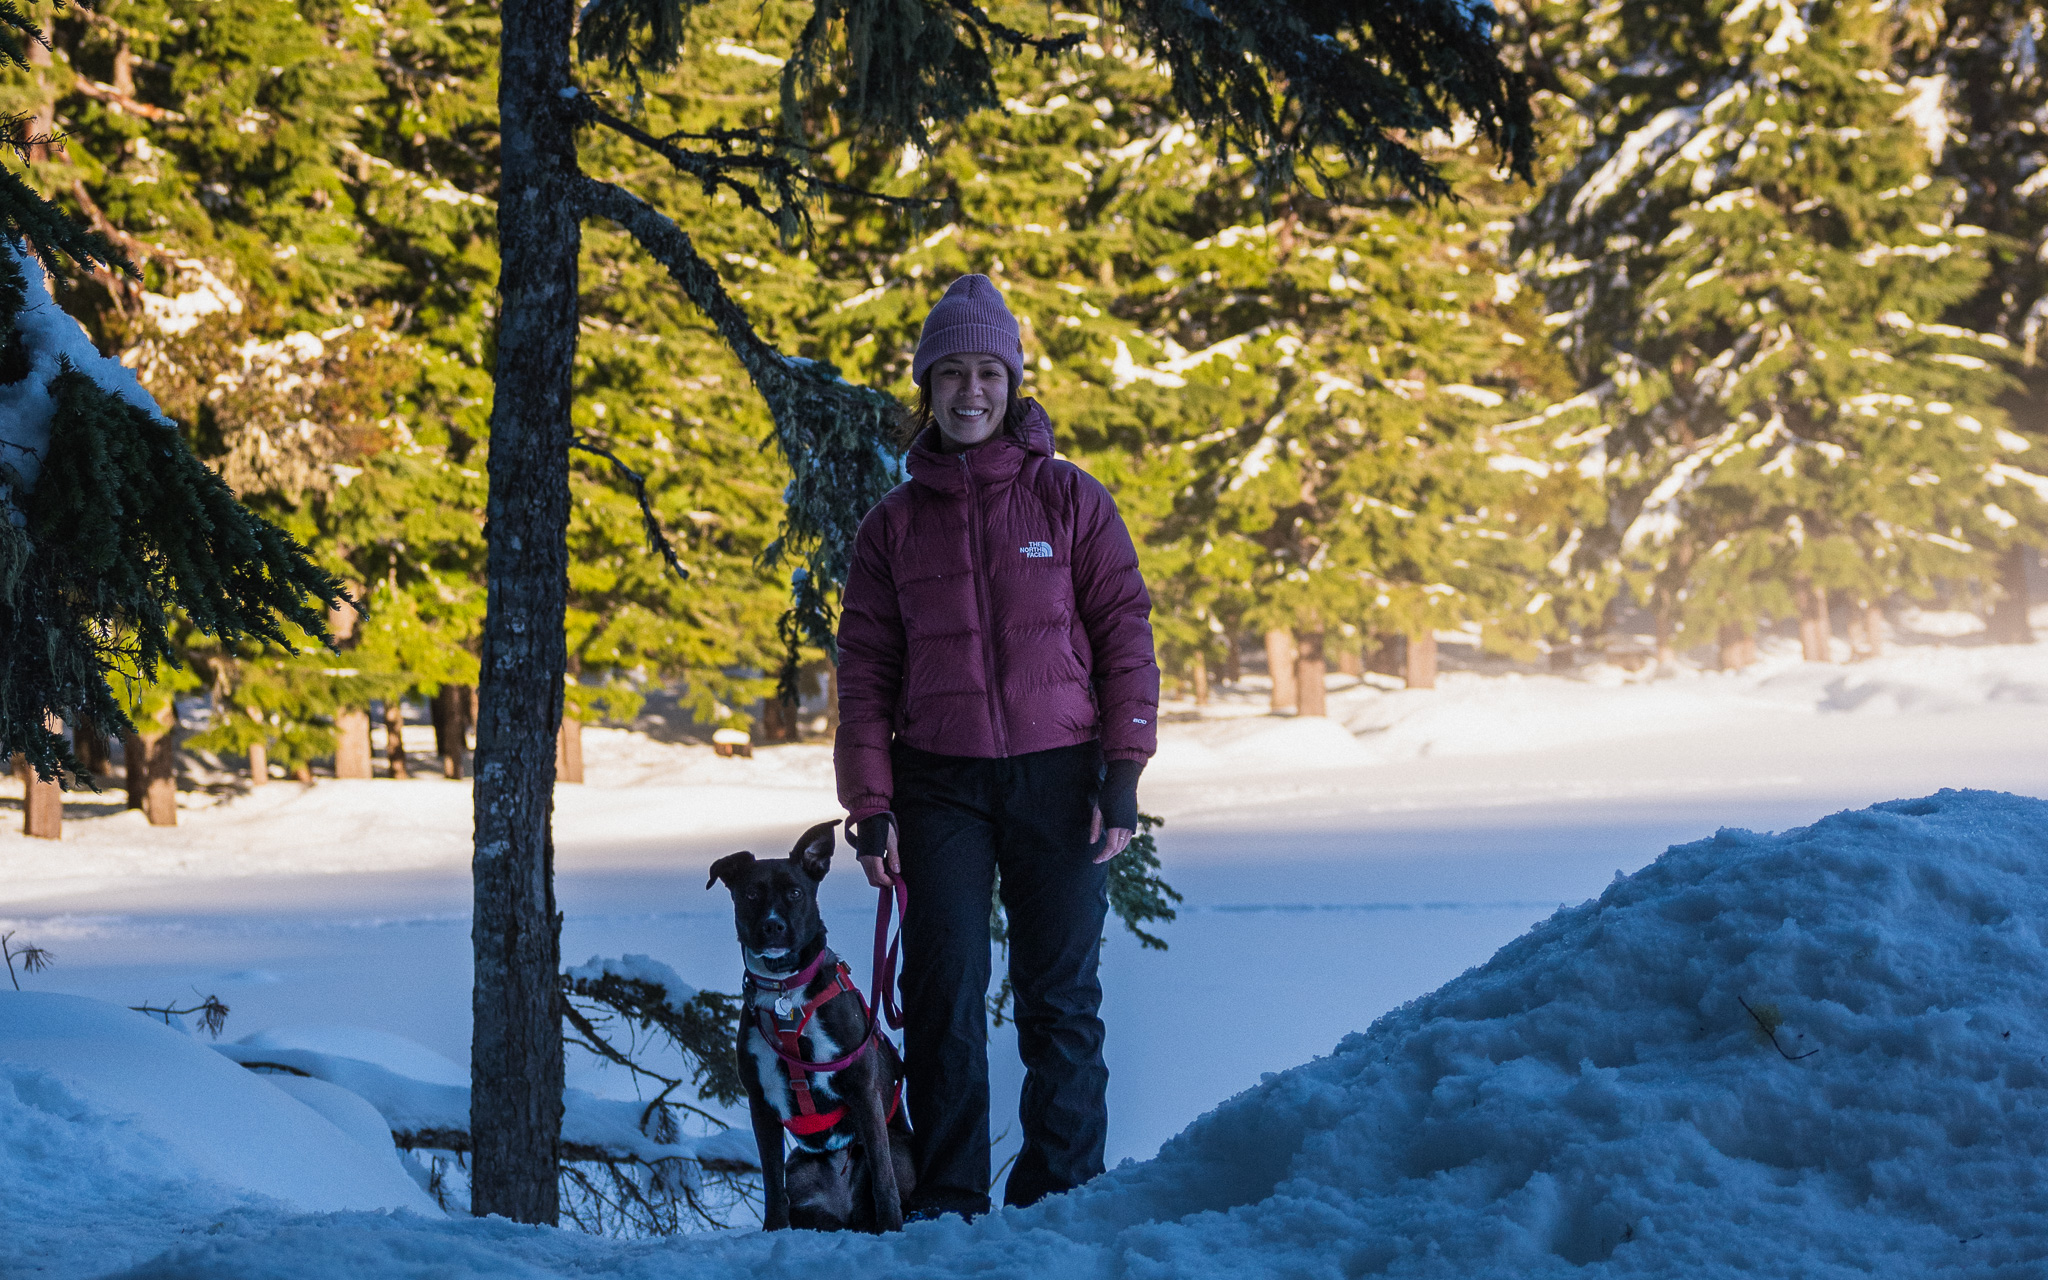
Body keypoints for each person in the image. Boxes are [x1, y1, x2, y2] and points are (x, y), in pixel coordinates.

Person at [834, 273, 1159, 1218]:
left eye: (988, 372)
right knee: (944, 998)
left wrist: (1124, 773)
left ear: (1012, 384)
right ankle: (948, 1196)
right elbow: (864, 675)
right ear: (927, 389)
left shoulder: (1070, 502)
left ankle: (1060, 1194)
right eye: (951, 375)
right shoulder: (890, 528)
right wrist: (873, 806)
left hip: (1059, 778)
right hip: (939, 787)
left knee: (1060, 1001)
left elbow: (1124, 631)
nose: (971, 392)